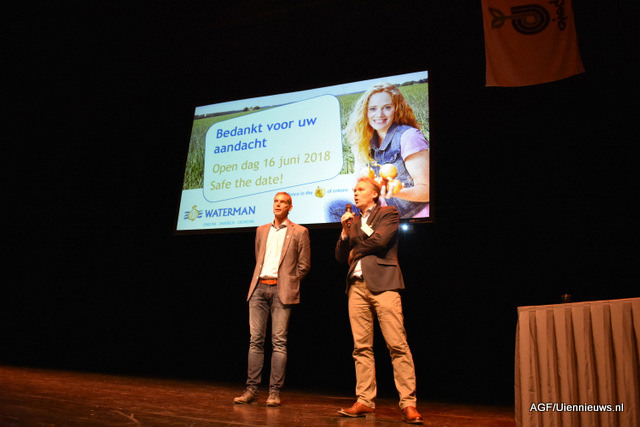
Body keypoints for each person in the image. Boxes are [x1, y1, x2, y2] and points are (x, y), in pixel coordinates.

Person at [335, 177, 423, 424]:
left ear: (374, 194)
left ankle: (408, 404)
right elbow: (340, 256)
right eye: (354, 190)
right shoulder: (352, 222)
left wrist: (356, 249)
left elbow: (380, 240)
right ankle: (364, 400)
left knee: (397, 345)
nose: (355, 193)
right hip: (356, 286)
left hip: (384, 284)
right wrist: (345, 232)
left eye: (361, 189)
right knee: (361, 348)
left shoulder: (389, 213)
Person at [234, 192, 311, 407]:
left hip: (281, 290)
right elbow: (259, 258)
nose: (278, 205)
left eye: (283, 202)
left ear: (290, 207)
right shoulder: (261, 230)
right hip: (258, 288)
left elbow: (304, 265)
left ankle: (274, 392)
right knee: (255, 340)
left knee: (279, 342)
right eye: (276, 201)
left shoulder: (300, 231)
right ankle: (251, 390)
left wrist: (288, 282)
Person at [344, 82, 429, 219]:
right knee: (333, 207)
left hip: (410, 215)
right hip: (380, 214)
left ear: (397, 109)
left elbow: (427, 191)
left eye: (387, 107)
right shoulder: (364, 141)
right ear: (365, 112)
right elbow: (357, 181)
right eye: (373, 109)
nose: (379, 114)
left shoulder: (409, 136)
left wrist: (396, 192)